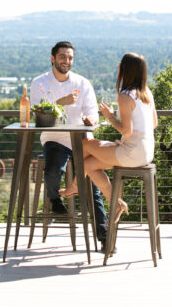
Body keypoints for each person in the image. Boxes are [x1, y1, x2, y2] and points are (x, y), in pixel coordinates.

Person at [30, 41, 110, 251]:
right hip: (55, 138)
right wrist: (61, 102)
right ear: (53, 58)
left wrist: (91, 119)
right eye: (63, 57)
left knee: (93, 187)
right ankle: (55, 198)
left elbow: (92, 110)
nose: (67, 61)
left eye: (70, 57)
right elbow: (38, 114)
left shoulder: (83, 83)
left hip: (82, 141)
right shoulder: (39, 83)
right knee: (54, 168)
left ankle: (104, 238)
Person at [60, 52, 157, 224]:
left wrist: (110, 116)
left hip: (131, 153)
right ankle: (117, 205)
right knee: (89, 165)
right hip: (146, 152)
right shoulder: (146, 92)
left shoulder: (125, 96)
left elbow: (127, 132)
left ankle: (75, 185)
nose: (118, 67)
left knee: (85, 144)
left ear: (126, 70)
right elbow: (154, 123)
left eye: (121, 65)